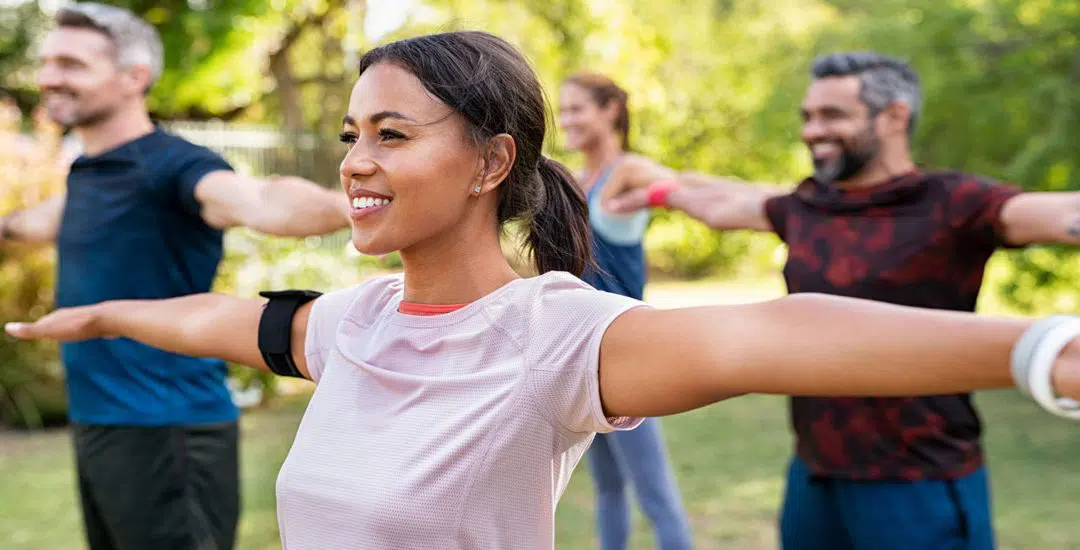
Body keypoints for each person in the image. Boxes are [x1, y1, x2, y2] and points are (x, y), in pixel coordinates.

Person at [5, 32, 1080, 550]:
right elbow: (223, 320)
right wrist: (101, 313)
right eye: (348, 137)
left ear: (488, 163)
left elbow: (775, 331)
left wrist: (1036, 348)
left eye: (391, 135)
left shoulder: (553, 333)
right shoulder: (355, 322)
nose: (355, 163)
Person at [602, 51, 1080, 550]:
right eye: (808, 117)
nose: (811, 131)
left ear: (894, 116)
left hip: (919, 482)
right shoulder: (807, 204)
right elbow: (722, 202)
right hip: (815, 478)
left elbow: (1061, 212)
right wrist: (650, 190)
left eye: (832, 115)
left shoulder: (954, 204)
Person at [0, 4, 350, 550]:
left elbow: (259, 201)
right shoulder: (90, 174)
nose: (48, 76)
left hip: (169, 432)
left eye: (70, 63)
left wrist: (360, 208)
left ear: (134, 77)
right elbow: (23, 227)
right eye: (46, 61)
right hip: (101, 425)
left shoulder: (174, 166)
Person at [558, 72, 693, 550]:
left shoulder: (628, 171)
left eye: (577, 108)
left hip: (627, 351)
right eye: (564, 109)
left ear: (610, 109)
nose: (566, 119)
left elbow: (682, 189)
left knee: (653, 491)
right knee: (609, 487)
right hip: (581, 354)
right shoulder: (573, 181)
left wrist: (650, 197)